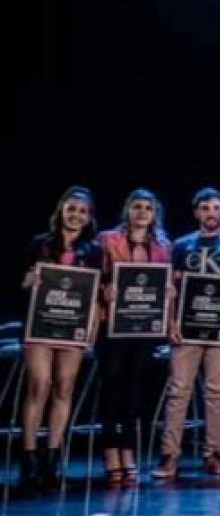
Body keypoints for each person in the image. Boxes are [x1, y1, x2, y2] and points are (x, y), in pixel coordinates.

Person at [151, 188, 220, 479]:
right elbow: (171, 290)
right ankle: (169, 457)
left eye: (216, 208)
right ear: (196, 213)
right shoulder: (181, 246)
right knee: (178, 391)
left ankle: (213, 455)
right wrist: (171, 323)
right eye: (205, 208)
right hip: (187, 329)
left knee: (216, 393)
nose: (211, 213)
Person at [16, 186, 103, 492]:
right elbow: (25, 283)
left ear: (89, 217)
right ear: (61, 211)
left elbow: (95, 295)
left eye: (82, 211)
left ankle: (53, 456)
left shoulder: (93, 251)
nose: (76, 215)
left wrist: (91, 329)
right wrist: (30, 280)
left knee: (64, 388)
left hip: (73, 330)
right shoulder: (39, 244)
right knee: (39, 385)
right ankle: (28, 458)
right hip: (40, 326)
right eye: (71, 209)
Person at [95, 188, 174, 486]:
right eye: (137, 207)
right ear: (127, 210)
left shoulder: (164, 246)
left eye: (148, 208)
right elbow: (92, 277)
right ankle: (109, 450)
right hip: (112, 326)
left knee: (134, 389)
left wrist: (169, 293)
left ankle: (128, 450)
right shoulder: (107, 240)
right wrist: (105, 289)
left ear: (155, 214)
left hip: (144, 329)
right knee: (112, 386)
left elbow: (164, 284)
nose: (142, 212)